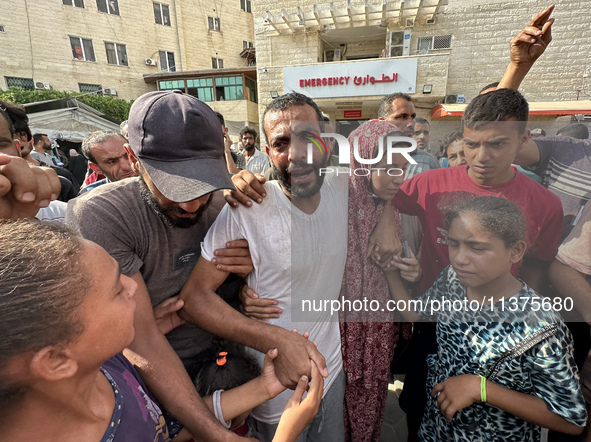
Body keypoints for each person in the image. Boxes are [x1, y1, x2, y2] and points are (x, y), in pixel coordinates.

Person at [66, 90, 322, 440]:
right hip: (163, 381)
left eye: (203, 183)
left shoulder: (225, 202)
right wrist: (219, 435)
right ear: (133, 158)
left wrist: (250, 275)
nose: (191, 205)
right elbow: (143, 339)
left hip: (234, 367)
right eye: (175, 187)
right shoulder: (103, 214)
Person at [0, 220, 324, 442]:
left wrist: (266, 387)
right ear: (56, 360)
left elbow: (164, 427)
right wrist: (285, 435)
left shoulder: (111, 366)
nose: (133, 285)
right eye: (117, 290)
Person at [372, 88, 563, 440]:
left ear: (524, 140)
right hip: (433, 327)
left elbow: (535, 276)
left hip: (499, 336)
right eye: (473, 144)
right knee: (418, 408)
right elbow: (382, 193)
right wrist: (387, 219)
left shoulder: (545, 205)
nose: (481, 157)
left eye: (497, 145)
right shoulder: (430, 184)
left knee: (483, 421)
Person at [178, 92, 345, 442]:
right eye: (282, 143)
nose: (296, 154)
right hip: (274, 388)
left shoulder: (344, 188)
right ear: (269, 153)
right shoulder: (248, 208)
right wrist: (278, 339)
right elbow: (195, 298)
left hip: (331, 371)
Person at [382, 196, 587, 441]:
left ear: (516, 251)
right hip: (435, 431)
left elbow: (571, 420)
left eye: (477, 248)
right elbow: (418, 314)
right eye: (453, 243)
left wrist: (482, 389)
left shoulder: (540, 325)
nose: (459, 258)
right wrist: (390, 272)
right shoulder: (453, 280)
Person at [339, 120, 419, 442]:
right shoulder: (334, 199)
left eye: (402, 168)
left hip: (377, 327)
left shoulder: (397, 209)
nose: (397, 178)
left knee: (372, 401)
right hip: (338, 325)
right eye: (387, 167)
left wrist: (410, 271)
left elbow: (403, 266)